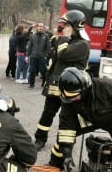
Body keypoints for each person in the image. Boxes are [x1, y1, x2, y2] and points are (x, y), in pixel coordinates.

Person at [34, 10, 90, 151]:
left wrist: (63, 39)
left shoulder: (82, 45)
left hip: (70, 91)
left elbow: (63, 55)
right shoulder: (65, 41)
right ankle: (39, 139)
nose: (62, 28)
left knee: (67, 119)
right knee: (47, 113)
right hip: (55, 87)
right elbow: (54, 59)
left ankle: (64, 147)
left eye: (66, 25)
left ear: (74, 26)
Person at [48, 67, 112, 172]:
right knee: (64, 136)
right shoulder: (68, 99)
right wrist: (67, 153)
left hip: (109, 118)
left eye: (76, 97)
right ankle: (55, 163)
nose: (73, 100)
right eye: (70, 98)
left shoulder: (106, 86)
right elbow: (66, 124)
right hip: (90, 119)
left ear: (84, 89)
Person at [26, 23, 50, 89]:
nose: (40, 27)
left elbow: (48, 47)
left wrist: (46, 56)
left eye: (42, 26)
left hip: (42, 57)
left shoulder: (46, 36)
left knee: (43, 71)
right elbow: (29, 46)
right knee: (32, 71)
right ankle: (31, 84)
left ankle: (44, 82)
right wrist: (27, 56)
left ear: (43, 28)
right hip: (33, 57)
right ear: (37, 27)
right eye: (39, 26)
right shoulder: (33, 36)